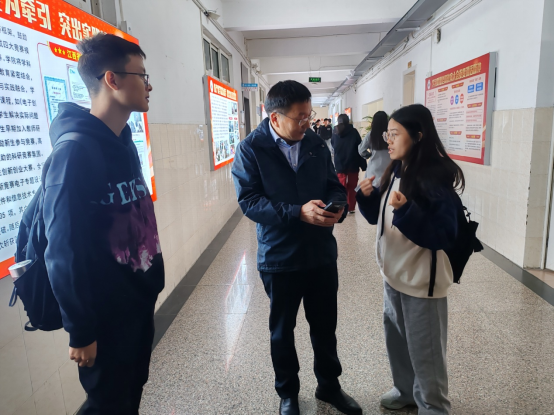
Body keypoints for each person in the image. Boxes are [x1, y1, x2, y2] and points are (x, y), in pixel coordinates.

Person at [45, 34, 164, 415]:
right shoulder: (74, 152)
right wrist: (81, 330)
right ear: (112, 79)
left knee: (130, 393)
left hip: (137, 301)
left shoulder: (124, 141)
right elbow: (62, 250)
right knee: (107, 403)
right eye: (141, 76)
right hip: (106, 314)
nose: (148, 86)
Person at [232, 81, 362, 416]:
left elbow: (333, 185)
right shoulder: (251, 149)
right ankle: (288, 392)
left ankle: (329, 385)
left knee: (325, 327)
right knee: (282, 331)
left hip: (320, 254)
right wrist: (296, 212)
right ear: (275, 117)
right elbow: (250, 202)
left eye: (309, 115)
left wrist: (337, 207)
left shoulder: (315, 143)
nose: (307, 123)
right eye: (299, 117)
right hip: (279, 257)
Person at [356, 104, 463, 415]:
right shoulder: (396, 169)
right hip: (393, 275)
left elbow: (443, 234)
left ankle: (433, 407)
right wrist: (366, 198)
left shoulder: (434, 177)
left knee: (426, 352)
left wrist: (406, 211)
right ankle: (405, 391)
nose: (388, 140)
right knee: (398, 341)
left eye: (395, 134)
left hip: (420, 282)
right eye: (387, 135)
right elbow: (381, 218)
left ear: (418, 136)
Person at [331, 114, 365, 215]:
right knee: (352, 186)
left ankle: (341, 207)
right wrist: (363, 164)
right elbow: (360, 148)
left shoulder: (335, 132)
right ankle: (351, 207)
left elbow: (333, 145)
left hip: (340, 163)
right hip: (353, 163)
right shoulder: (354, 132)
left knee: (341, 186)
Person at [358, 111, 390, 187]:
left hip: (374, 169)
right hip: (389, 166)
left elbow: (361, 150)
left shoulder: (371, 134)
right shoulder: (390, 134)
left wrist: (368, 155)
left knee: (371, 189)